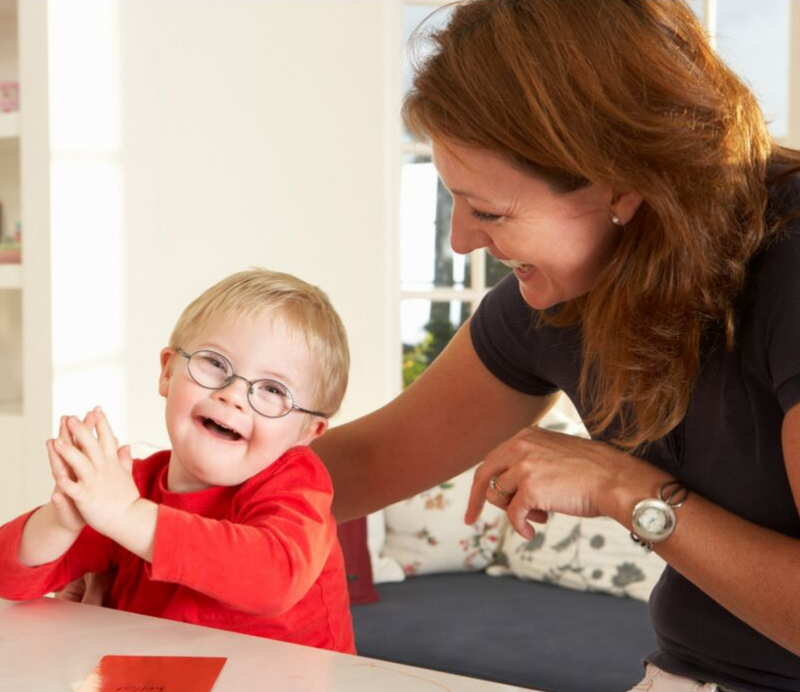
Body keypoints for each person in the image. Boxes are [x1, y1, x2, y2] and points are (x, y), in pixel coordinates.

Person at [314, 1, 800, 690]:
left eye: (489, 211)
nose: (460, 242)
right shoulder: (564, 296)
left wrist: (621, 485)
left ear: (621, 185)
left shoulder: (790, 262)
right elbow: (361, 466)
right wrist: (136, 513)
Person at [0, 268, 355, 654]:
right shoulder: (128, 487)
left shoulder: (296, 481)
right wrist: (62, 519)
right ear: (168, 371)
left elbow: (274, 578)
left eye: (272, 389)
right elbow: (10, 578)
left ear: (306, 433)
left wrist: (126, 515)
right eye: (216, 364)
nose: (233, 394)